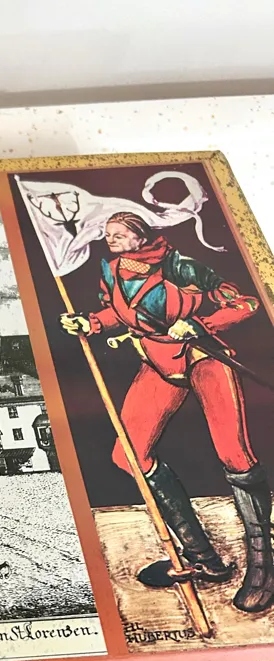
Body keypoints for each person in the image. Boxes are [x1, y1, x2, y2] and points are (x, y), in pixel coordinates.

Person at [60, 211, 274, 612]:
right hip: (159, 363)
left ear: (140, 236)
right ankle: (204, 560)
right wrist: (90, 324)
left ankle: (264, 568)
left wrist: (201, 323)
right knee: (129, 455)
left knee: (234, 455)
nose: (111, 239)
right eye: (107, 234)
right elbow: (121, 314)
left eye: (119, 234)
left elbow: (244, 303)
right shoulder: (113, 273)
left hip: (204, 357)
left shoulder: (181, 266)